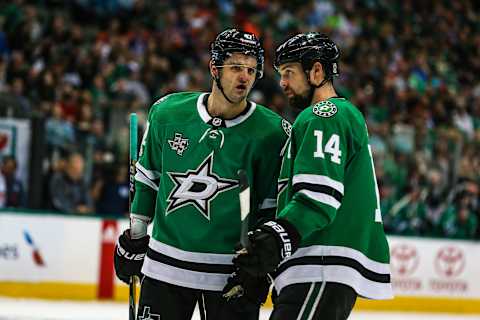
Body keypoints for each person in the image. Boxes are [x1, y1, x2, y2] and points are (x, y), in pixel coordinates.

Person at [113, 29, 290, 320]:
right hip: (164, 265)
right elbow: (147, 178)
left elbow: (270, 207)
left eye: (250, 69)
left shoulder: (273, 133)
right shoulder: (167, 112)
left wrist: (262, 267)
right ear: (213, 68)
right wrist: (136, 236)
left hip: (230, 275)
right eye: (235, 68)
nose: (244, 77)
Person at [233, 32, 393, 320]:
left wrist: (276, 238)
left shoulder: (324, 114)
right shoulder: (335, 117)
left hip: (321, 260)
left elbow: (319, 197)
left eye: (289, 73)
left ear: (316, 71)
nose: (282, 83)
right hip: (320, 266)